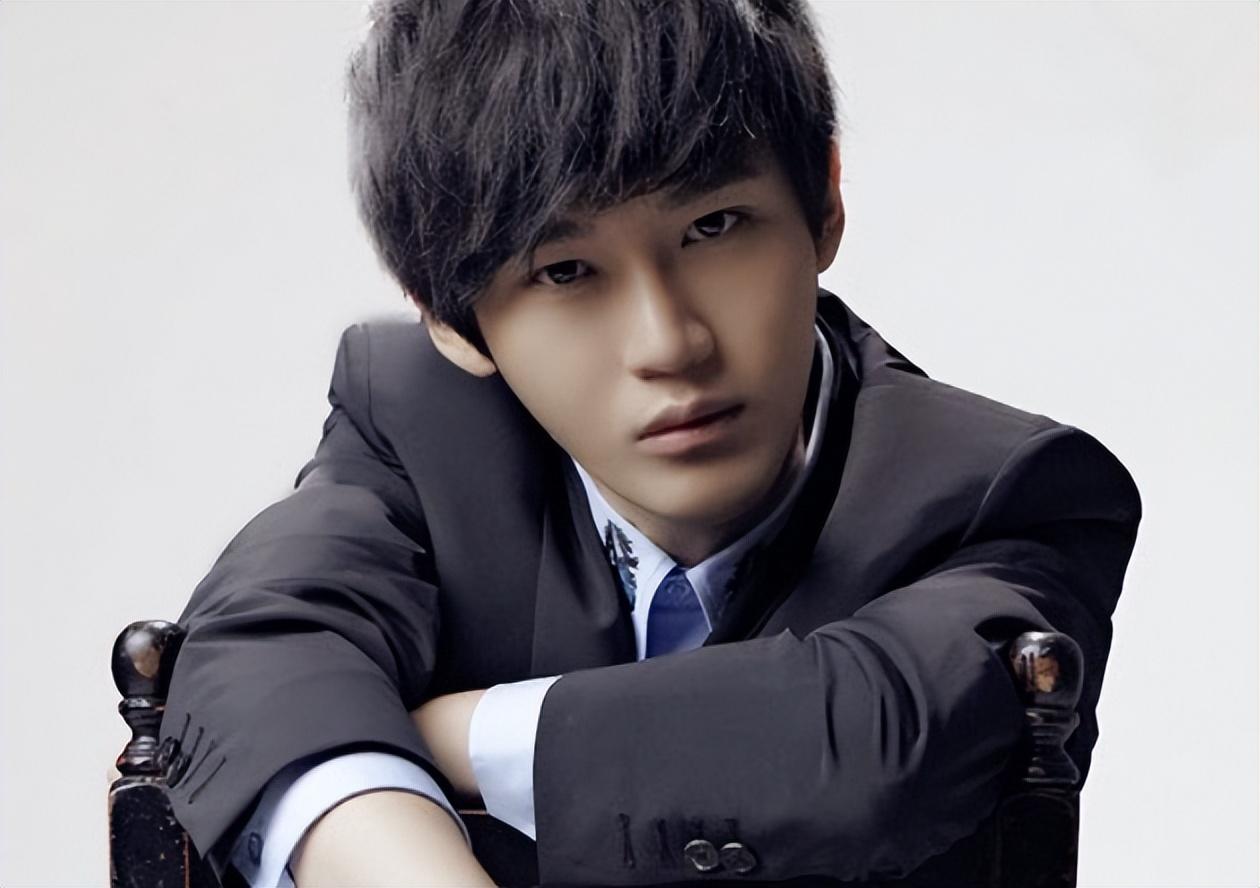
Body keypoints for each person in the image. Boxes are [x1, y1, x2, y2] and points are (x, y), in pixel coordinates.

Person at [157, 1, 1143, 885]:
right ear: (447, 316)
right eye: (564, 271)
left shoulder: (1005, 488)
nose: (670, 344)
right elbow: (255, 654)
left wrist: (460, 733)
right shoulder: (420, 426)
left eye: (715, 226)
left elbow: (877, 740)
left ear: (826, 200)